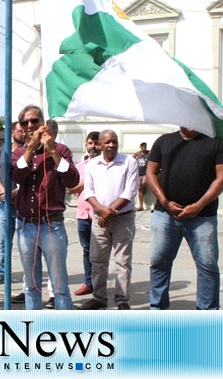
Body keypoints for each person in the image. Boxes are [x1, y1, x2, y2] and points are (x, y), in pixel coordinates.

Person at [146, 126, 223, 310]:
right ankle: (157, 309)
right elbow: (151, 172)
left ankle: (206, 313)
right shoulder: (164, 141)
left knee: (207, 266)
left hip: (202, 217)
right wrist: (164, 201)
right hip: (165, 215)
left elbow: (222, 178)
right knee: (158, 263)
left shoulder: (215, 144)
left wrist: (199, 205)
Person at [12, 105, 79, 310]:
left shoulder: (60, 150)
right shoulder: (20, 153)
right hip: (26, 226)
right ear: (22, 128)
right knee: (30, 285)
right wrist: (31, 148)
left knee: (59, 286)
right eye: (25, 122)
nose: (31, 125)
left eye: (35, 121)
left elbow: (72, 179)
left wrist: (51, 150)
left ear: (43, 122)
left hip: (52, 225)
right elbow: (17, 175)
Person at [79, 130, 138, 310]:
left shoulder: (129, 162)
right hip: (99, 219)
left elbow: (130, 192)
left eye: (114, 142)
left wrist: (109, 212)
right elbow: (88, 191)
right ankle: (99, 297)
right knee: (97, 260)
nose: (111, 145)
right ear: (100, 145)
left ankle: (122, 300)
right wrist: (101, 211)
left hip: (123, 219)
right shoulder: (92, 164)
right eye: (107, 142)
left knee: (122, 262)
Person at [0, 121, 25, 286]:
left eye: (24, 131)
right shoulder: (3, 149)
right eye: (19, 130)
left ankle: (29, 278)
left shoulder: (28, 151)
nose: (22, 133)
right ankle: (3, 272)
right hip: (5, 204)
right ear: (12, 132)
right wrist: (3, 191)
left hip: (23, 205)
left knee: (25, 243)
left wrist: (15, 192)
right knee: (5, 242)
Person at [67, 131, 101, 297]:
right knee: (86, 250)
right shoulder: (80, 167)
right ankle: (89, 283)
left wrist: (82, 185)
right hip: (82, 215)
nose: (93, 146)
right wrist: (81, 185)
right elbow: (71, 188)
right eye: (90, 143)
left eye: (96, 143)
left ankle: (100, 286)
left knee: (101, 252)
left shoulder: (106, 165)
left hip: (100, 214)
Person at [133, 142, 149, 211]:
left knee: (143, 183)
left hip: (146, 173)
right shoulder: (138, 153)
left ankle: (144, 188)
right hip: (139, 173)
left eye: (145, 146)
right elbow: (132, 158)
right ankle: (141, 206)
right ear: (140, 147)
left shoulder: (149, 153)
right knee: (140, 189)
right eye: (142, 146)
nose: (143, 147)